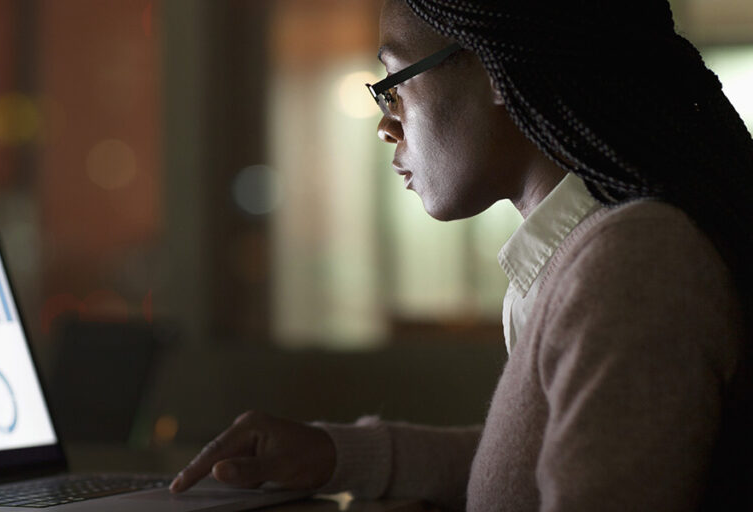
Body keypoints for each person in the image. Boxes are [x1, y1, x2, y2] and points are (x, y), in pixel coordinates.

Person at [170, 0, 753, 510]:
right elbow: (544, 467)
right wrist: (337, 454)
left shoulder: (634, 267)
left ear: (494, 68)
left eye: (395, 80)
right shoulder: (583, 257)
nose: (385, 125)